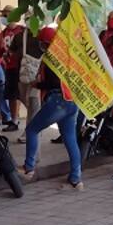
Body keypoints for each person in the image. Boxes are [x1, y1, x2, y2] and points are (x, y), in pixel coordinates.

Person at [22, 27, 83, 190]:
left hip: (57, 101)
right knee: (70, 139)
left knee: (32, 130)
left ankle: (28, 169)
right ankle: (76, 179)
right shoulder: (67, 55)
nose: (42, 46)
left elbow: (53, 83)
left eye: (43, 43)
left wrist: (38, 84)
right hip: (71, 101)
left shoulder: (52, 58)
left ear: (47, 43)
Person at [0, 8, 26, 127]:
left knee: (22, 94)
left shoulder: (22, 30)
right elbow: (1, 50)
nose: (3, 18)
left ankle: (22, 118)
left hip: (20, 67)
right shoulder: (3, 33)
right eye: (3, 15)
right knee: (11, 95)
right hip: (9, 66)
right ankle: (14, 120)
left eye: (5, 15)